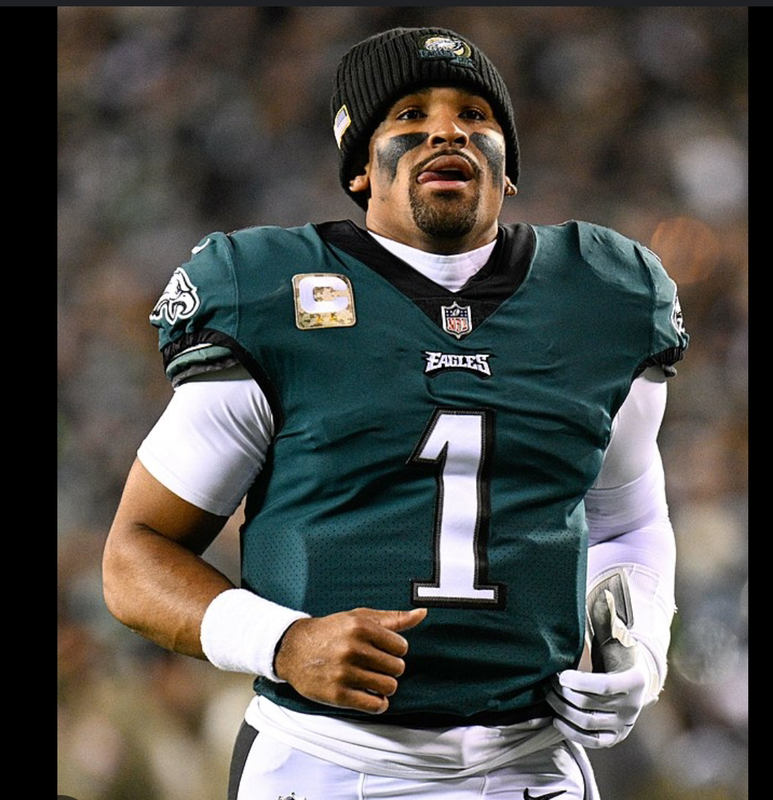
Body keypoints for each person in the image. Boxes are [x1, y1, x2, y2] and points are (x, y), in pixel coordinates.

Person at [103, 26, 689, 800]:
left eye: (474, 114)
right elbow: (135, 556)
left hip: (530, 763)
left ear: (507, 166)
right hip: (327, 761)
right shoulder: (272, 295)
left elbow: (626, 522)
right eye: (409, 115)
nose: (448, 131)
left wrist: (638, 646)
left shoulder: (599, 298)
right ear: (359, 167)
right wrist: (282, 642)